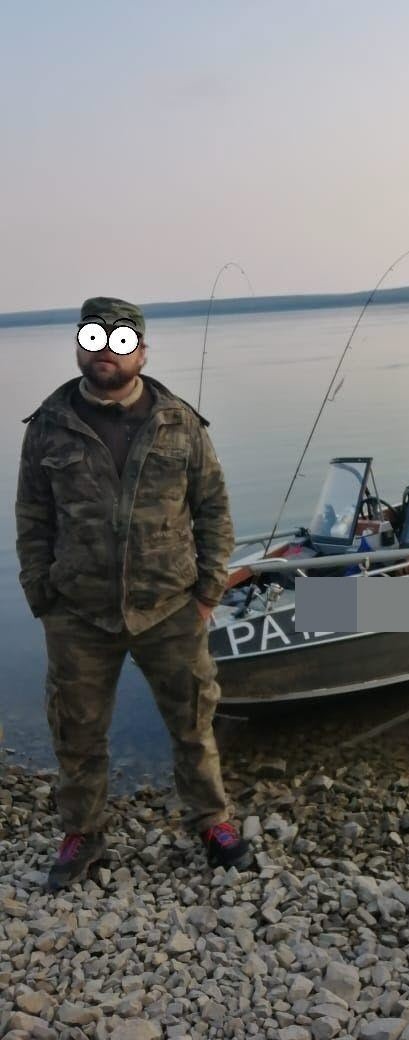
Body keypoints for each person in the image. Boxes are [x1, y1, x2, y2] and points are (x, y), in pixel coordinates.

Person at [15, 296, 253, 892]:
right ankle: (82, 833)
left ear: (141, 352)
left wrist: (208, 592)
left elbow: (214, 510)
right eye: (93, 338)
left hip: (170, 606)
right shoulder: (48, 425)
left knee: (193, 721)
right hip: (77, 610)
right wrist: (41, 596)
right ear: (80, 345)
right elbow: (32, 517)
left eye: (119, 341)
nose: (105, 352)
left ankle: (212, 822)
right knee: (76, 730)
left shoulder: (180, 423)